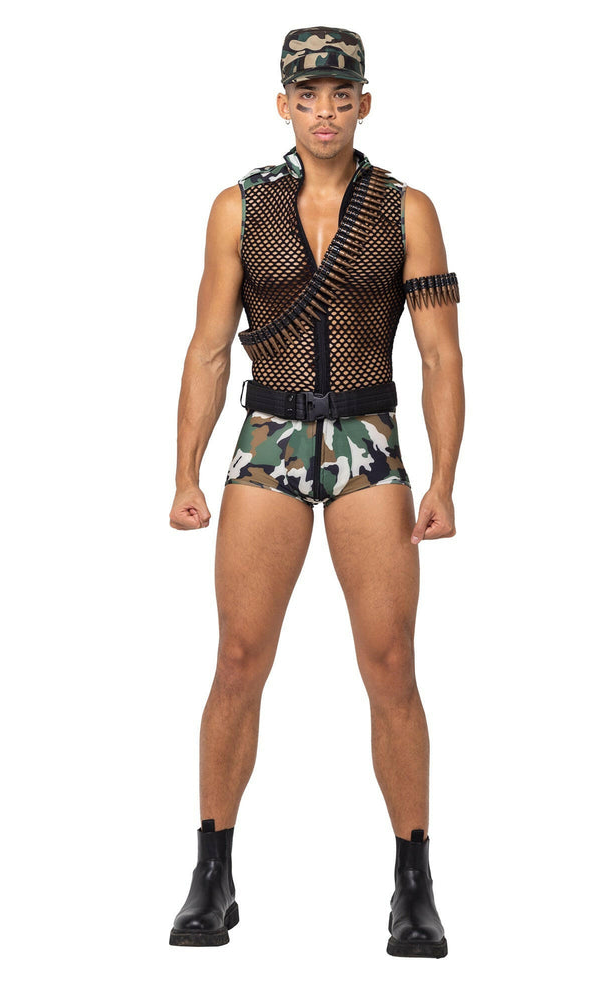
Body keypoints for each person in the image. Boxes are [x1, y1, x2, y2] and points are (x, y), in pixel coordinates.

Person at [167, 26, 464, 959]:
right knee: (239, 657)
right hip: (272, 435)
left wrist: (445, 478)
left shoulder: (408, 210)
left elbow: (440, 355)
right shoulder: (238, 207)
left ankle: (413, 884)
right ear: (283, 105)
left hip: (368, 439)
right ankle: (211, 873)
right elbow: (209, 347)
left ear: (364, 102)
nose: (325, 112)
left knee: (390, 662)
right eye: (308, 97)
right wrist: (183, 471)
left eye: (341, 96)